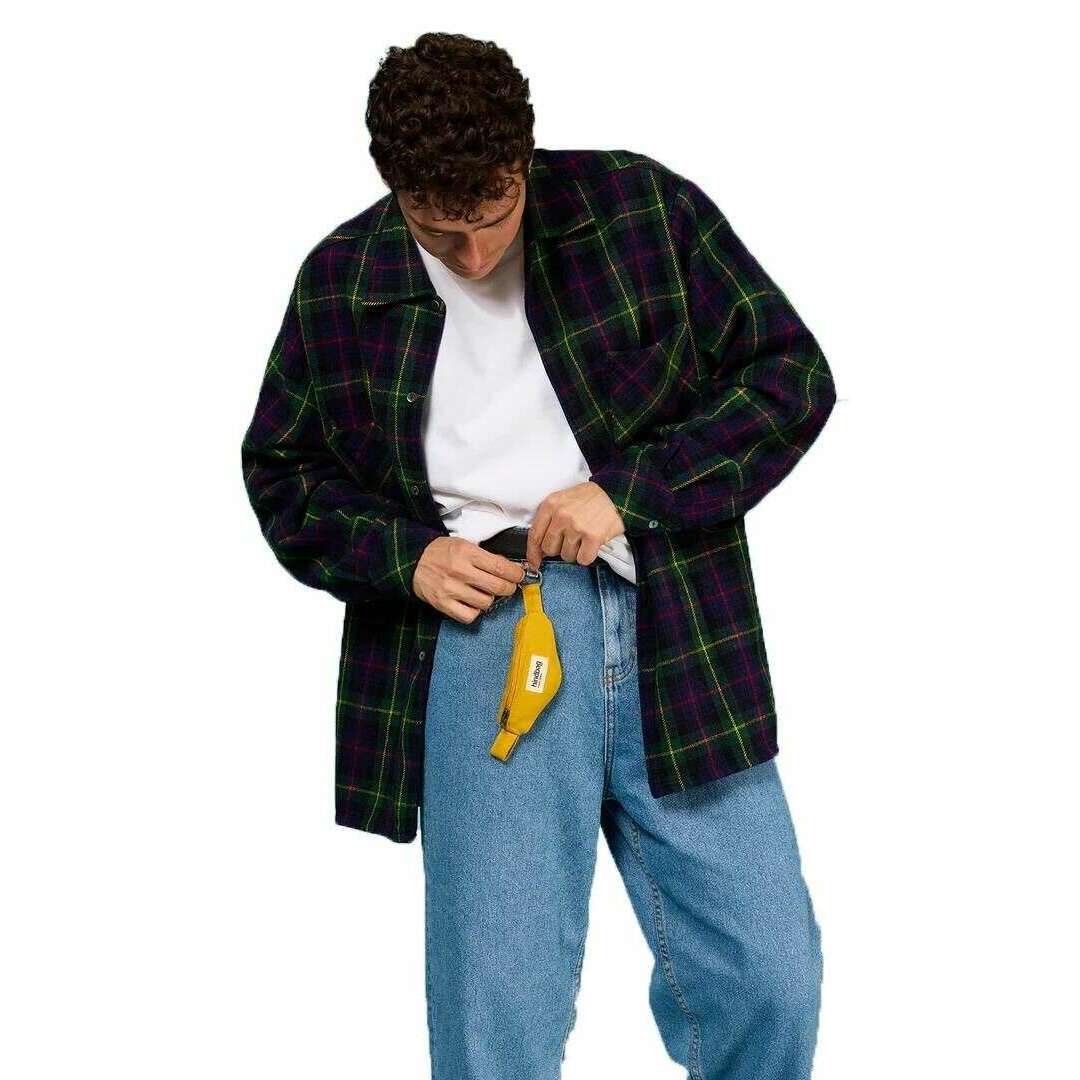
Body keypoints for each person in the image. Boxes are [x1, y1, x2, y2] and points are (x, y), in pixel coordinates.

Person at [241, 30, 836, 1080]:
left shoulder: (641, 210)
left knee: (768, 973)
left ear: (525, 159)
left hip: (675, 623)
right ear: (391, 185)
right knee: (498, 1013)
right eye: (437, 227)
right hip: (484, 637)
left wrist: (630, 493)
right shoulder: (342, 279)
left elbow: (788, 377)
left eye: (493, 214)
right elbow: (283, 471)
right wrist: (406, 557)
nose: (473, 255)